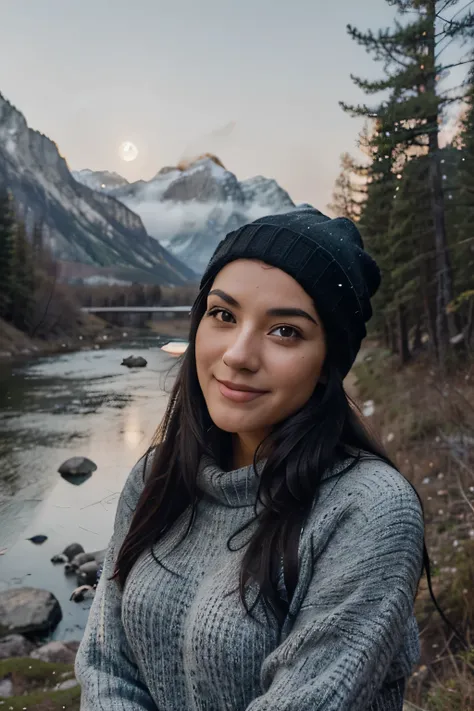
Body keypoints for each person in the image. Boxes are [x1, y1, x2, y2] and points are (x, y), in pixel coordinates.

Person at [75, 206, 425, 711]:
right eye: (223, 315)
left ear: (329, 364)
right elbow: (105, 667)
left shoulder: (368, 511)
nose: (238, 354)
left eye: (285, 331)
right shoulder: (157, 476)